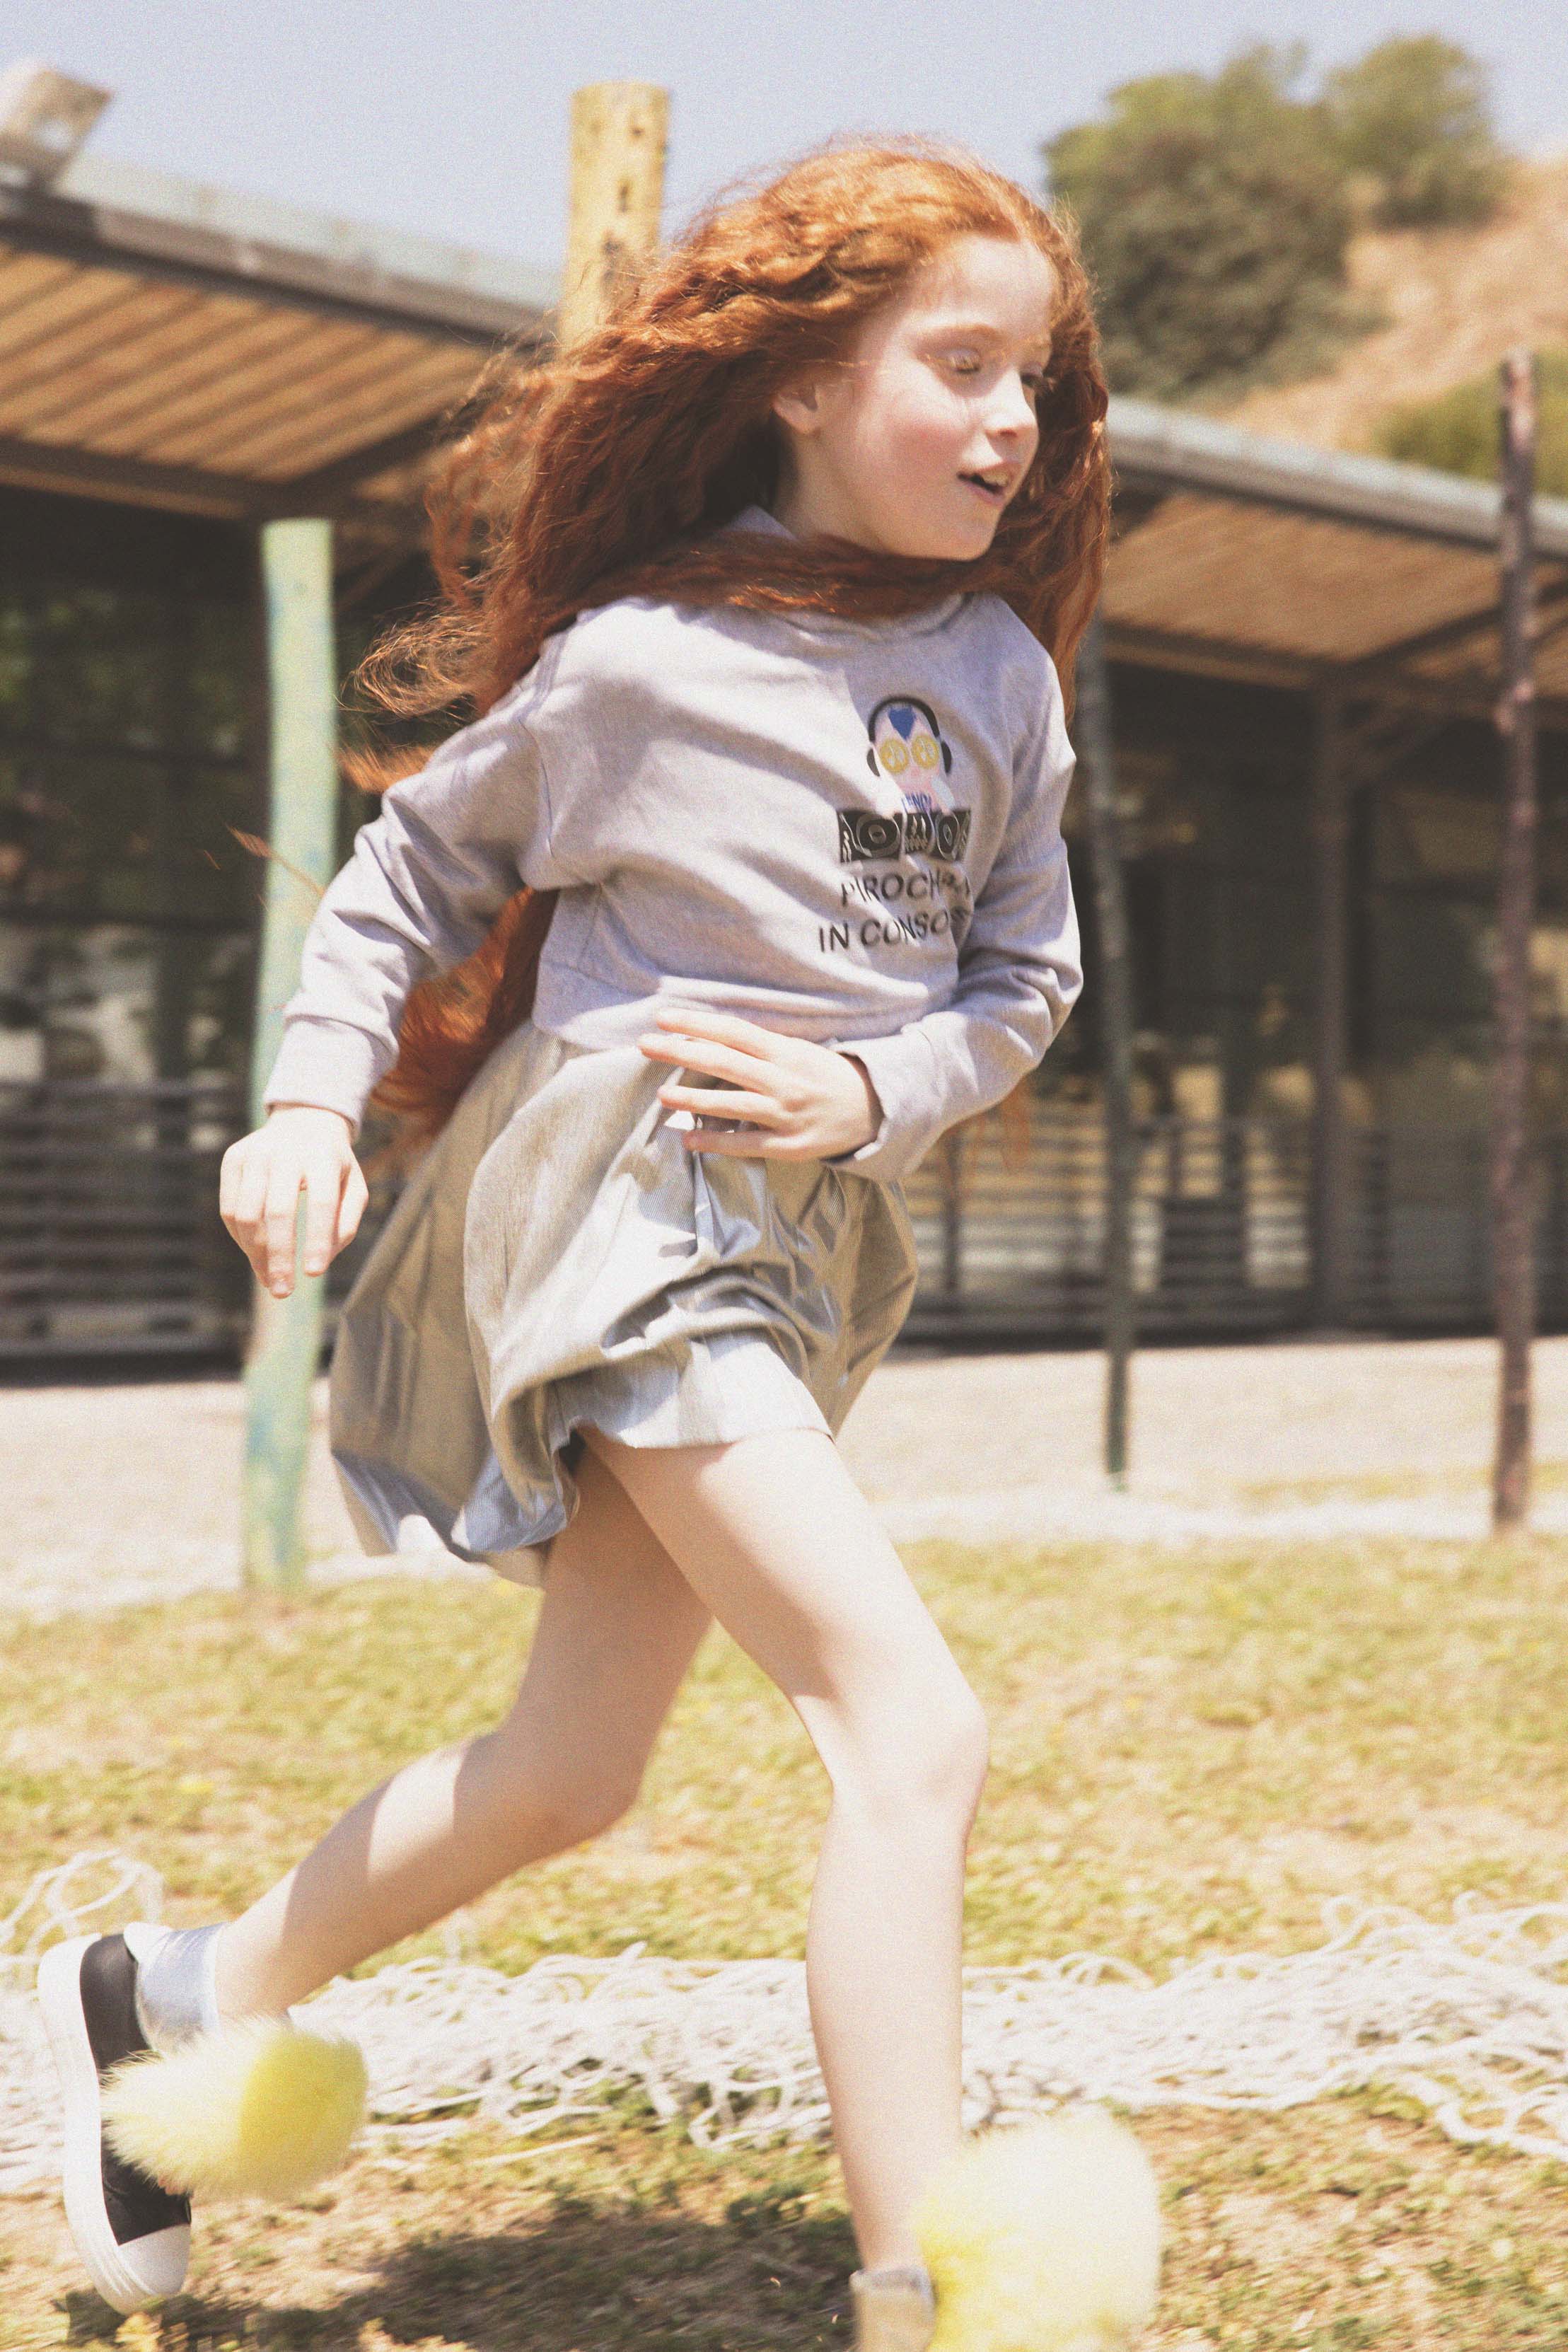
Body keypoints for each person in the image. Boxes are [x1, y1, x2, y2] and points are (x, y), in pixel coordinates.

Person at [40, 134, 1114, 2346]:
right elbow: (408, 880)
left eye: (1033, 378)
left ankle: (172, 2000)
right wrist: (307, 1102)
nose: (1011, 419)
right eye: (959, 364)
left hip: (794, 1237)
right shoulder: (642, 662)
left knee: (570, 1774)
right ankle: (925, 2297)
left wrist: (871, 1095)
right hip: (618, 1218)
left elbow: (1027, 980)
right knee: (908, 1729)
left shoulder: (1003, 673)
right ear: (800, 382)